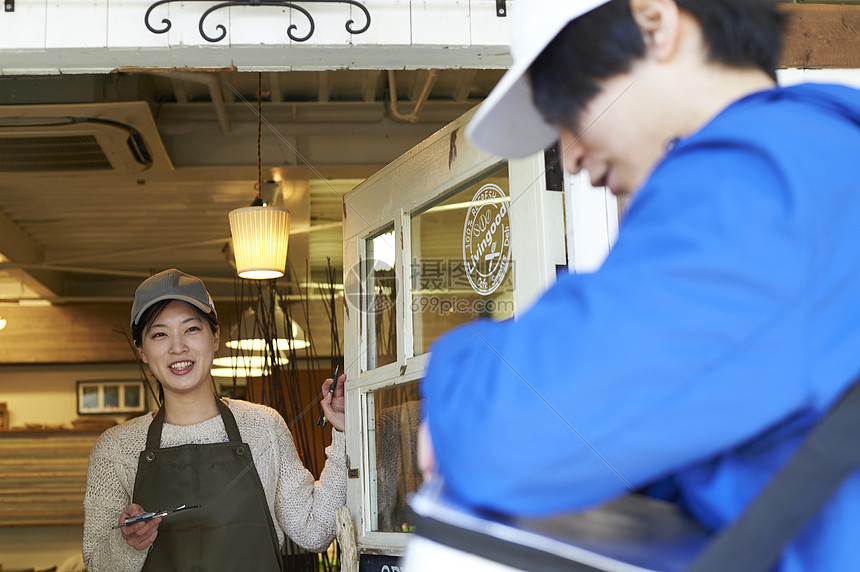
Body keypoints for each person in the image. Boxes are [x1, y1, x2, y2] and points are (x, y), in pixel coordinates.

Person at [417, 0, 860, 569]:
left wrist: (457, 376)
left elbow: (509, 433)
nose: (571, 156)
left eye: (567, 105)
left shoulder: (761, 183)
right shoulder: (826, 151)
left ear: (655, 23)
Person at [83, 268, 347, 571]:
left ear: (215, 336)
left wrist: (341, 432)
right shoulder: (116, 448)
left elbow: (314, 532)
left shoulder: (263, 425)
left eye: (191, 329)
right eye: (159, 334)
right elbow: (95, 566)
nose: (178, 347)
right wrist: (127, 543)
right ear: (141, 350)